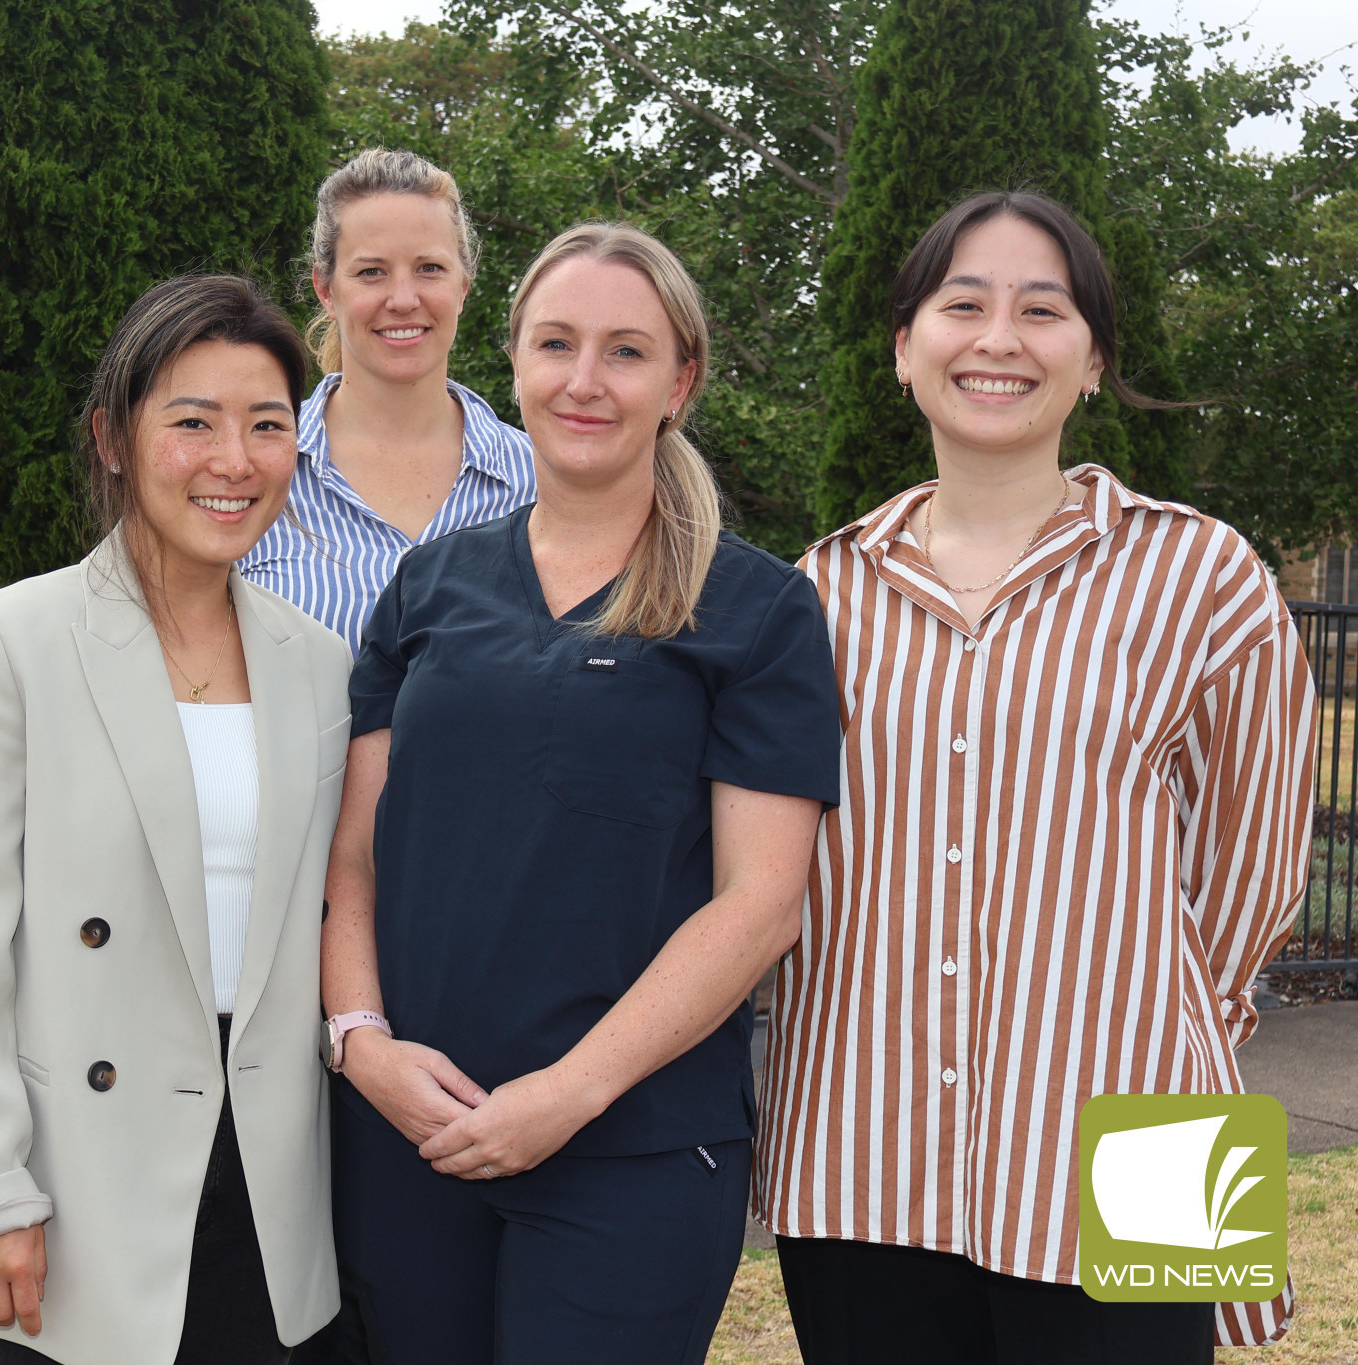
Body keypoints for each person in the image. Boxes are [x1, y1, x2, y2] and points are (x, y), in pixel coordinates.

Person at [755, 191, 1316, 1362]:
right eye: (961, 304)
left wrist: (1131, 1036)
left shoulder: (1203, 575)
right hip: (858, 1139)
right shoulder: (814, 594)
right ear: (904, 349)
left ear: (1094, 360)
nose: (998, 338)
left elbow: (1252, 869)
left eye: (1041, 309)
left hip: (1150, 1135)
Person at [318, 222, 840, 1365]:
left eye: (625, 351)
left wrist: (567, 1093)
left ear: (680, 380)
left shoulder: (754, 610)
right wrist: (360, 1045)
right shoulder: (431, 585)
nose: (583, 381)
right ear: (512, 360)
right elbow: (352, 854)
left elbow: (760, 904)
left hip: (632, 1151)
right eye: (554, 344)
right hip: (414, 1134)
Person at [0, 274, 353, 1365]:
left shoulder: (320, 664)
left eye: (266, 426)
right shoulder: (4, 644)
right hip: (72, 1178)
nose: (231, 461)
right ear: (111, 436)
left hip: (273, 1179)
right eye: (190, 423)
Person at [239, 147, 536, 651]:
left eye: (429, 268)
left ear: (464, 284)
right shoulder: (250, 470)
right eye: (371, 272)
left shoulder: (539, 480)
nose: (402, 299)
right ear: (326, 289)